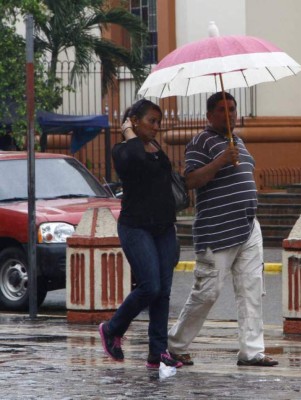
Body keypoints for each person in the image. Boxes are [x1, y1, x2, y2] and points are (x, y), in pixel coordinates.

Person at [167, 91, 278, 367]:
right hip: (217, 230)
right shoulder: (200, 142)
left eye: (232, 108)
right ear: (209, 115)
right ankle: (175, 344)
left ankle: (252, 351)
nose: (228, 114)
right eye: (221, 110)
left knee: (251, 288)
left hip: (248, 225)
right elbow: (190, 180)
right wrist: (219, 162)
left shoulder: (237, 141)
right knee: (208, 291)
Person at [98, 99, 183, 369]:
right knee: (150, 286)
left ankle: (158, 353)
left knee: (164, 292)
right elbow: (134, 160)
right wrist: (127, 133)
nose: (157, 127)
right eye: (151, 121)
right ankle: (112, 329)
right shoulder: (122, 150)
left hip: (164, 227)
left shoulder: (156, 147)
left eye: (159, 122)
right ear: (134, 120)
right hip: (135, 227)